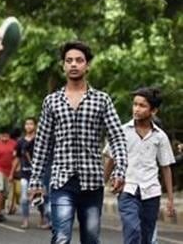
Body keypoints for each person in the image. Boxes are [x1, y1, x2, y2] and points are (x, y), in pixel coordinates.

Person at [28, 41, 128, 244]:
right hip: (61, 181)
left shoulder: (102, 100)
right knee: (62, 237)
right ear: (63, 66)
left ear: (87, 65)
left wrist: (120, 170)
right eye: (69, 61)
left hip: (92, 182)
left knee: (91, 239)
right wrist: (36, 180)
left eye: (79, 60)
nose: (74, 64)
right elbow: (42, 144)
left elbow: (117, 137)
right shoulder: (52, 101)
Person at [103, 87, 175, 244]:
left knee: (147, 236)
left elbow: (165, 167)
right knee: (132, 230)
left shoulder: (160, 137)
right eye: (135, 104)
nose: (136, 109)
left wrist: (170, 199)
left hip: (151, 192)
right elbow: (111, 159)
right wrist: (102, 184)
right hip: (128, 189)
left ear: (153, 111)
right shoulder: (121, 132)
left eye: (142, 106)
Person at [13, 117, 46, 229]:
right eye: (27, 124)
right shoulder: (20, 142)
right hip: (24, 174)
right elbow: (17, 158)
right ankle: (25, 220)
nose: (29, 126)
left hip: (38, 175)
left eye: (31, 124)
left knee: (38, 198)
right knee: (23, 198)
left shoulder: (40, 140)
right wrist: (11, 173)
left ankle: (42, 218)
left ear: (35, 126)